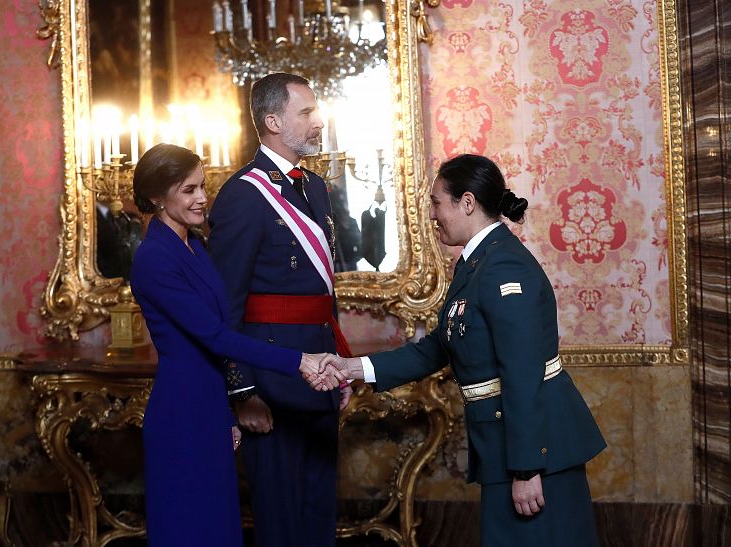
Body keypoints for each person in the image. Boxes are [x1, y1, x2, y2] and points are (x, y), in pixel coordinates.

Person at [325, 154, 607, 546]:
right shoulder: (477, 264)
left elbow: (522, 374)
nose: (432, 214)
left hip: (536, 455)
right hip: (503, 450)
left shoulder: (505, 268)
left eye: (437, 202)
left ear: (467, 202)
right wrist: (352, 368)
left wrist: (525, 470)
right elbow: (435, 349)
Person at [129, 143, 342, 546]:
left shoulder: (195, 245)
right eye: (189, 190)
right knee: (189, 527)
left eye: (202, 187)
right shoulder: (153, 257)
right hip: (183, 409)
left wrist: (228, 413)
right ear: (157, 197)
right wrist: (298, 360)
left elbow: (225, 318)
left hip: (210, 402)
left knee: (221, 527)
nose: (202, 199)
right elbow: (215, 335)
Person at [208, 72, 352, 547]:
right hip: (270, 379)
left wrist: (341, 365)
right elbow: (225, 303)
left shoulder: (315, 187)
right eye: (306, 112)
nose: (318, 121)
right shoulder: (242, 195)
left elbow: (323, 293)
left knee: (318, 511)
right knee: (281, 518)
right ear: (272, 121)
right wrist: (242, 389)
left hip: (320, 368)